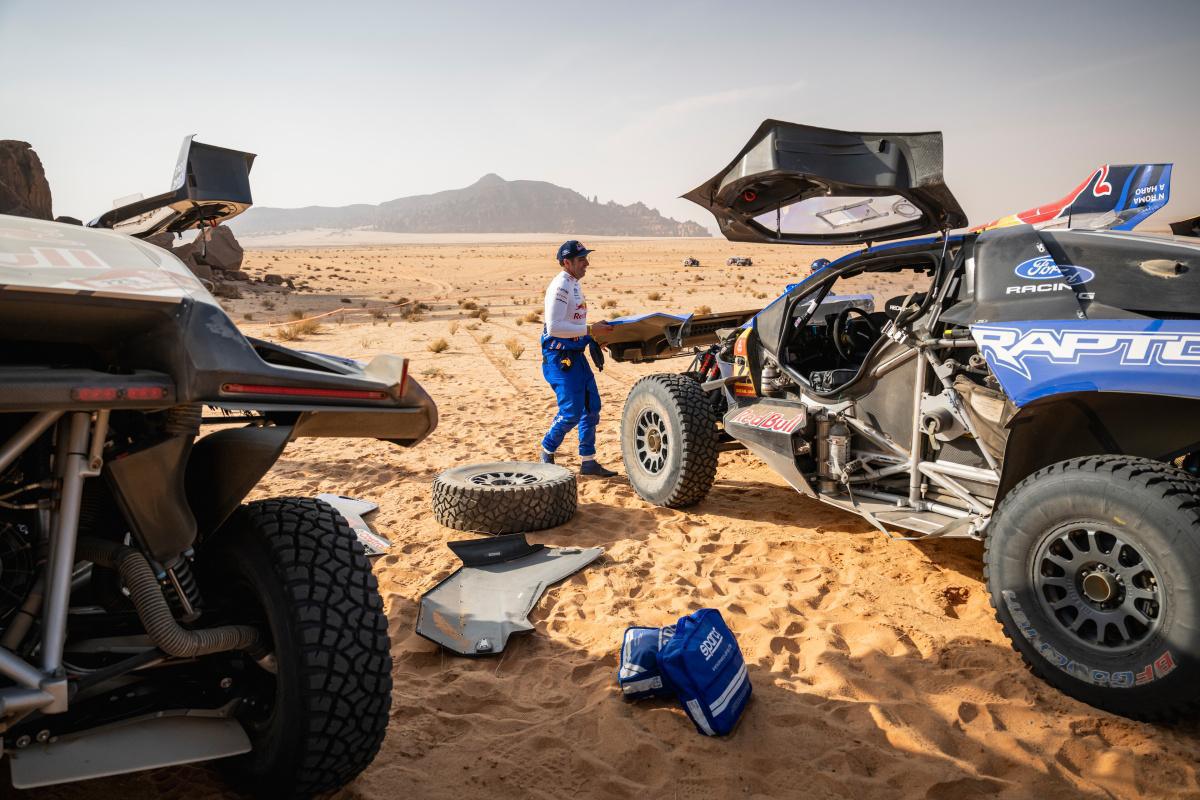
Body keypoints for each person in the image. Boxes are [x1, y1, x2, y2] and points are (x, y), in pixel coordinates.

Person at [539, 240, 618, 477]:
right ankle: (546, 451)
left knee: (591, 408)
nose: (587, 263)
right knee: (571, 411)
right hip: (559, 358)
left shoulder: (574, 284)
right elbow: (554, 327)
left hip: (576, 354)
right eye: (581, 259)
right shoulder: (560, 286)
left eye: (586, 258)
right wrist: (590, 330)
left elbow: (573, 324)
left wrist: (592, 337)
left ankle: (588, 461)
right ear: (567, 262)